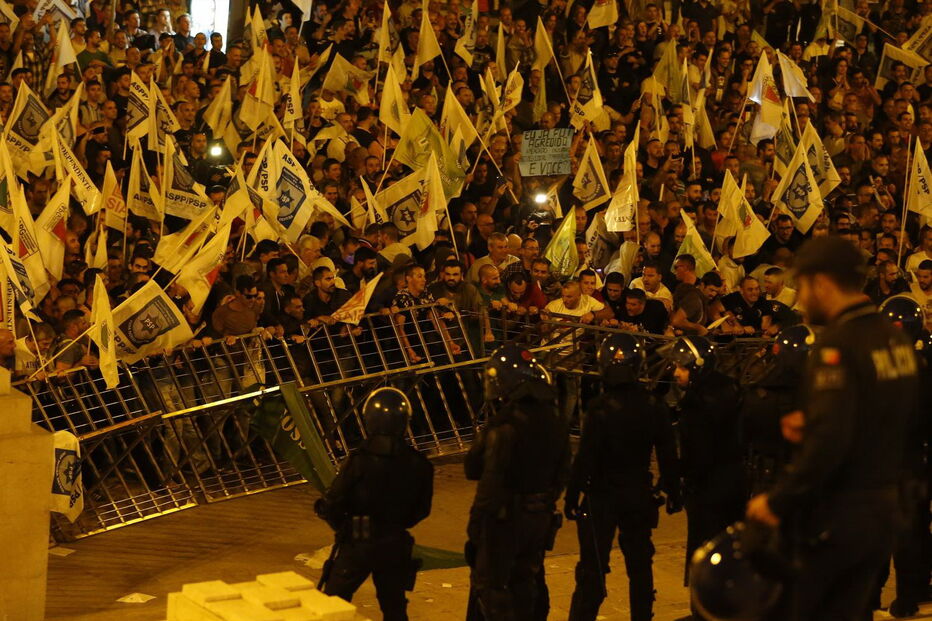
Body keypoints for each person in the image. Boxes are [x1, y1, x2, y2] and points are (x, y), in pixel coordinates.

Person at [746, 237, 919, 621]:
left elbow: (829, 444)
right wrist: (818, 421)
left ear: (822, 283)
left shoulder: (838, 345)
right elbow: (888, 416)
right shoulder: (893, 339)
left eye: (803, 286)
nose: (801, 298)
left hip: (841, 515)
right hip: (884, 508)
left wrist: (777, 502)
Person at [565, 334, 681, 621]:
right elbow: (667, 454)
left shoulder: (600, 407)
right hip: (637, 492)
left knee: (593, 566)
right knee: (640, 567)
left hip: (602, 495)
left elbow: (586, 457)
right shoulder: (653, 405)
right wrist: (673, 491)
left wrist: (572, 494)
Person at [465, 344, 570, 620]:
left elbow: (483, 476)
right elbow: (562, 472)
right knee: (527, 584)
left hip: (505, 518)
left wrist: (477, 525)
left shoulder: (507, 424)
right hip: (539, 516)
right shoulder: (555, 418)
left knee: (491, 587)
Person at [315, 388, 434, 620]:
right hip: (394, 543)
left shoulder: (359, 461)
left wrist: (344, 527)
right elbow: (421, 510)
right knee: (394, 609)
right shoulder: (419, 464)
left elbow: (332, 503)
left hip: (357, 543)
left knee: (332, 606)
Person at [665, 336, 745, 596]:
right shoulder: (731, 389)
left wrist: (680, 481)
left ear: (697, 366)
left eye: (682, 367)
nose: (676, 373)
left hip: (707, 492)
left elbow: (697, 454)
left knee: (705, 559)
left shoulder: (696, 402)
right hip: (735, 485)